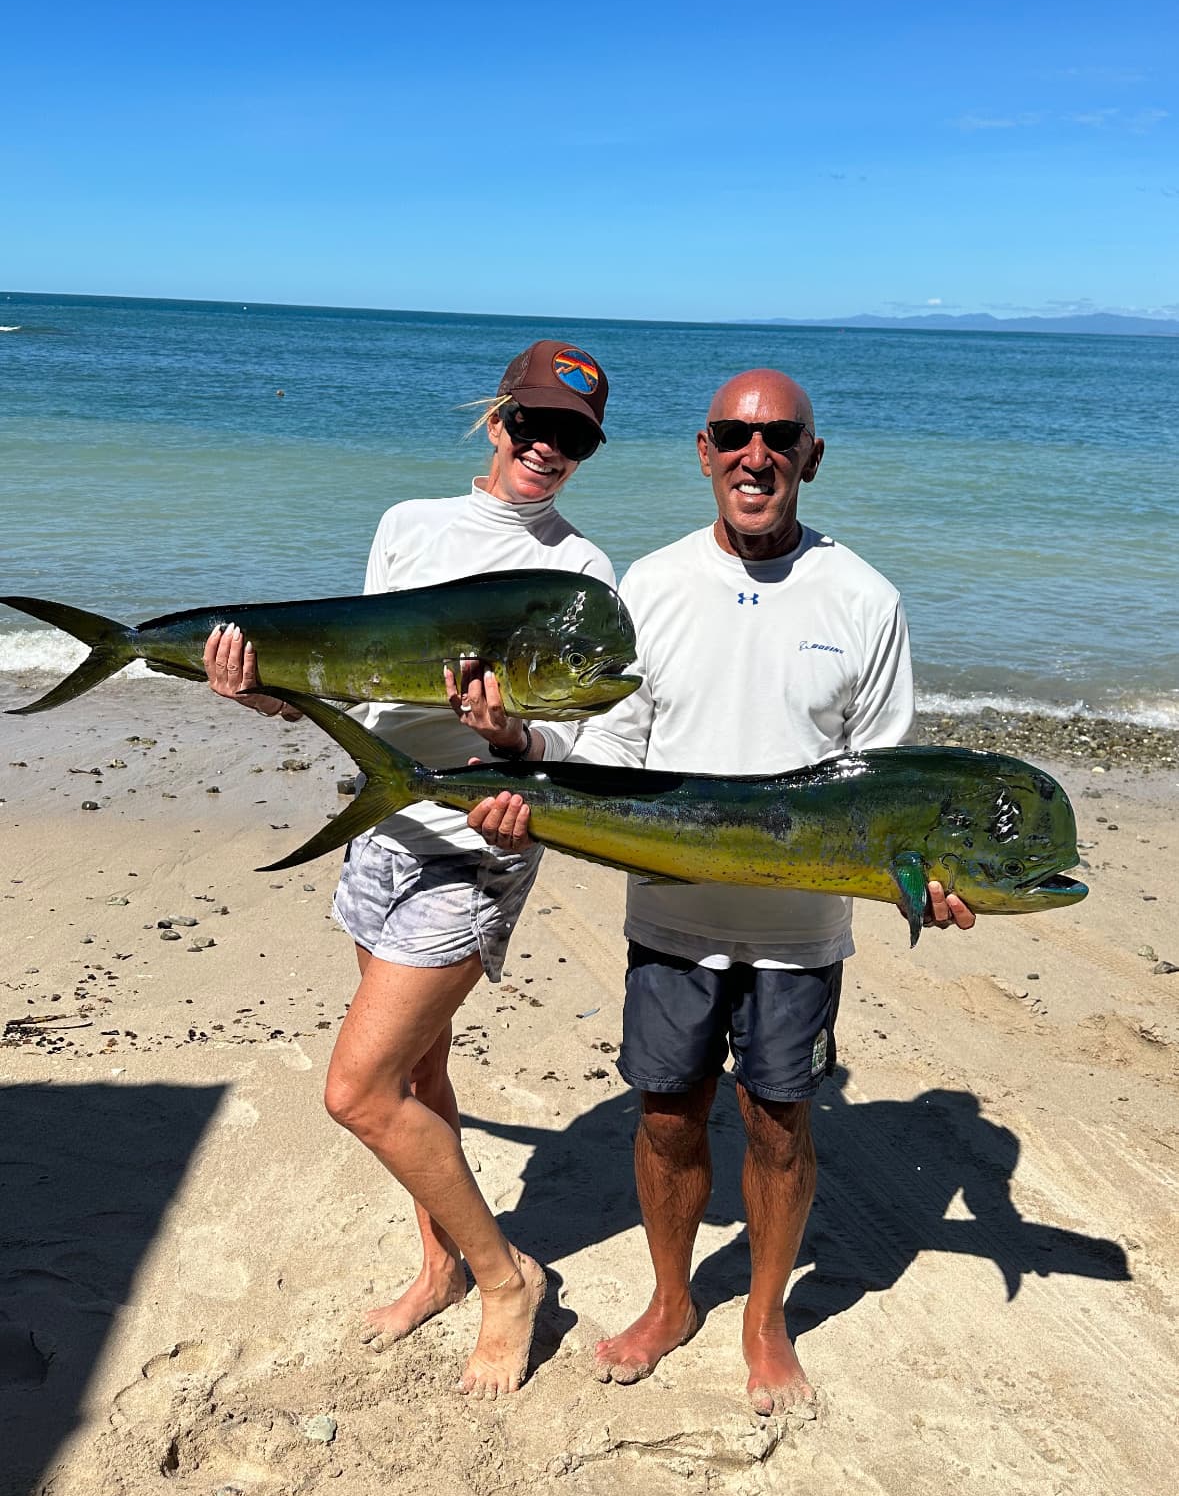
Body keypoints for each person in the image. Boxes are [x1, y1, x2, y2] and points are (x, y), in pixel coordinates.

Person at [469, 367, 975, 1415]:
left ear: (810, 456)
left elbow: (886, 787)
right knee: (665, 1119)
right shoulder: (648, 586)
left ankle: (762, 1313)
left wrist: (928, 881)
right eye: (733, 436)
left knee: (781, 1122)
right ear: (703, 453)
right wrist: (525, 763)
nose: (757, 455)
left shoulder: (866, 597)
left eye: (780, 436)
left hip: (800, 931)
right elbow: (609, 747)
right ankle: (671, 1299)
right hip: (670, 913)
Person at [204, 340, 616, 1400]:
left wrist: (512, 734)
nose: (547, 448)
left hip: (477, 839)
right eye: (533, 424)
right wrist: (272, 692)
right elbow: (356, 672)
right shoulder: (407, 523)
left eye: (571, 437)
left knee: (360, 1089)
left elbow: (573, 752)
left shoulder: (579, 571)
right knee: (422, 1074)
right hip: (382, 818)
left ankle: (504, 1276)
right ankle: (435, 1263)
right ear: (496, 420)